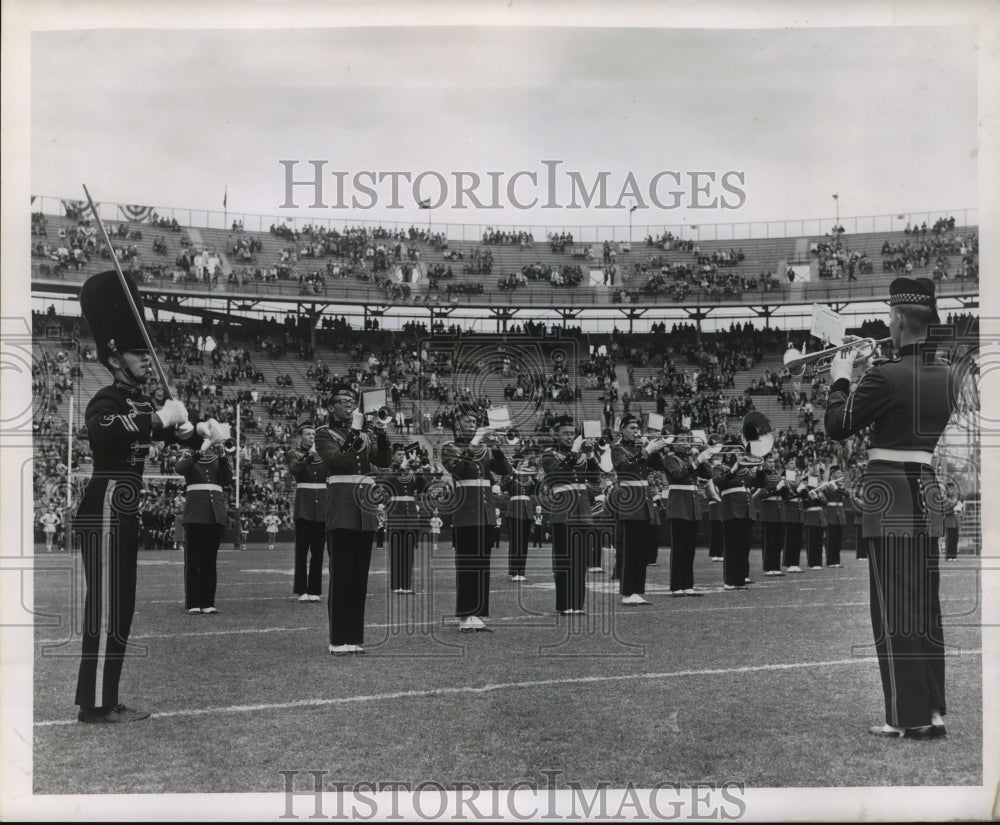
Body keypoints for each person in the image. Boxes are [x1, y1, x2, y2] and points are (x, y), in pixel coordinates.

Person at [824, 277, 957, 739]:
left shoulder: (884, 374)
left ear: (899, 319)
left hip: (891, 497)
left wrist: (843, 376)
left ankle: (910, 715)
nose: (886, 322)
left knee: (894, 608)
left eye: (889, 315)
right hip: (925, 492)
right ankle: (933, 707)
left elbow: (837, 425)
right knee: (924, 608)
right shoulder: (948, 376)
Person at [74, 270, 194, 724]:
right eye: (137, 352)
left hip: (123, 509)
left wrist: (198, 431)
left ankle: (106, 697)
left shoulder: (139, 404)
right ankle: (95, 704)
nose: (147, 359)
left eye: (147, 352)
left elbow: (174, 433)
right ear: (114, 356)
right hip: (104, 504)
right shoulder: (106, 400)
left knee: (120, 606)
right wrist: (163, 418)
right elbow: (104, 433)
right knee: (105, 607)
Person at [315, 384, 391, 654]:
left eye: (350, 401)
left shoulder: (365, 433)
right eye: (342, 401)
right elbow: (338, 461)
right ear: (330, 407)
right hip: (343, 506)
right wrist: (357, 433)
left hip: (364, 508)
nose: (348, 405)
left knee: (359, 577)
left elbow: (383, 460)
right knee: (342, 574)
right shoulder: (324, 433)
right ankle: (338, 638)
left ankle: (353, 637)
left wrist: (380, 434)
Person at [440, 402, 512, 632]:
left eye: (474, 422)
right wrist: (474, 442)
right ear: (457, 424)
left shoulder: (486, 450)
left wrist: (498, 449)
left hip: (485, 514)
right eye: (467, 422)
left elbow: (504, 471)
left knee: (482, 566)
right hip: (465, 514)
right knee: (466, 565)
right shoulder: (450, 447)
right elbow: (458, 469)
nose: (472, 424)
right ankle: (464, 615)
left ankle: (477, 613)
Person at [540, 415, 601, 615]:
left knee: (580, 562)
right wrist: (575, 450)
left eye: (572, 433)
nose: (569, 436)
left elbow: (594, 478)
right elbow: (558, 475)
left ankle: (577, 604)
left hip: (582, 512)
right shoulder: (549, 455)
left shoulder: (581, 456)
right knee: (564, 561)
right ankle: (565, 604)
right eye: (565, 433)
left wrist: (590, 454)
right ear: (555, 435)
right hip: (563, 512)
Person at [609, 416, 670, 604]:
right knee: (630, 549)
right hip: (630, 498)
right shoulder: (617, 448)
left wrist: (655, 450)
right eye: (632, 428)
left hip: (644, 500)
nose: (636, 431)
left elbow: (661, 466)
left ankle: (636, 590)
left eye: (638, 428)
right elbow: (623, 466)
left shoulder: (638, 448)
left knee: (641, 550)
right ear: (623, 430)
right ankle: (627, 592)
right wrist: (645, 451)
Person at [176, 423, 233, 615]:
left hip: (214, 514)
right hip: (195, 514)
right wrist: (201, 451)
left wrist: (223, 455)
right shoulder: (190, 456)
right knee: (193, 561)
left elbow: (226, 480)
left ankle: (208, 602)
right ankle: (193, 602)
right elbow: (180, 468)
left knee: (209, 561)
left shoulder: (218, 458)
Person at [662, 434, 717, 597]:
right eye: (683, 442)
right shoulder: (669, 459)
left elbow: (708, 474)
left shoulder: (690, 459)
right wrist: (696, 461)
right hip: (679, 506)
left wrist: (702, 457)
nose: (687, 445)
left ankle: (688, 584)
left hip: (692, 507)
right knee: (679, 548)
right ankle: (676, 585)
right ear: (674, 445)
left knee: (689, 549)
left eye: (688, 441)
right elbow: (679, 474)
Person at [286, 422, 327, 602]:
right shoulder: (294, 453)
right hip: (304, 509)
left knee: (318, 553)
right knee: (301, 553)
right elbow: (295, 469)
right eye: (308, 434)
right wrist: (310, 455)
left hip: (322, 510)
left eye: (313, 434)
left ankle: (314, 590)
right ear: (300, 437)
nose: (312, 437)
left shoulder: (324, 456)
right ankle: (301, 590)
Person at [383, 444, 426, 595]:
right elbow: (386, 482)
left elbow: (422, 487)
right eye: (399, 454)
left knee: (408, 552)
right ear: (393, 456)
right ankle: (396, 585)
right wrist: (402, 467)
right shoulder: (391, 471)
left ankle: (406, 585)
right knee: (396, 552)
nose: (402, 457)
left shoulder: (410, 472)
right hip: (396, 515)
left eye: (403, 454)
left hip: (410, 517)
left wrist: (419, 470)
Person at [504, 464, 536, 581]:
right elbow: (505, 485)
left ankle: (521, 571)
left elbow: (533, 491)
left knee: (523, 544)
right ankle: (514, 571)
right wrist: (511, 473)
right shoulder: (512, 480)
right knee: (515, 542)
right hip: (514, 512)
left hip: (526, 512)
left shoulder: (530, 482)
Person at [943, 482, 963, 561]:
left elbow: (958, 508)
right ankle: (948, 556)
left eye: (953, 488)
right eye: (950, 488)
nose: (952, 490)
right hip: (949, 521)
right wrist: (954, 508)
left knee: (955, 539)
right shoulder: (945, 499)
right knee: (949, 539)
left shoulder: (955, 499)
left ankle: (954, 556)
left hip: (955, 521)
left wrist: (958, 509)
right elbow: (945, 510)